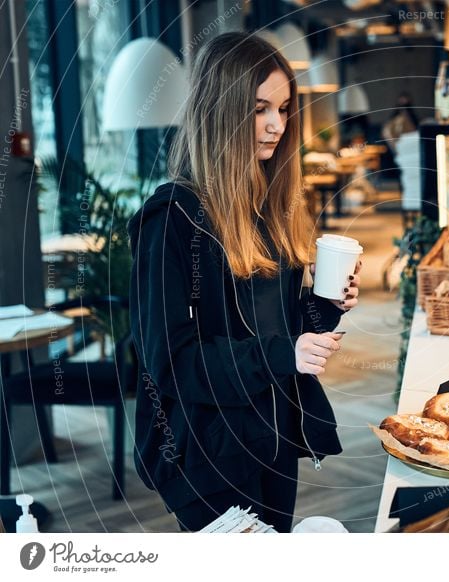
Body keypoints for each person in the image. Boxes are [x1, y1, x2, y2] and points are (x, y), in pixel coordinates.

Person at [127, 32, 361, 533]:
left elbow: (284, 330)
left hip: (272, 433)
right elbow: (171, 364)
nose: (277, 125)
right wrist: (284, 355)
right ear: (221, 111)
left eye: (283, 108)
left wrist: (327, 304)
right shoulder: (171, 220)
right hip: (207, 451)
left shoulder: (268, 212)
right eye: (259, 109)